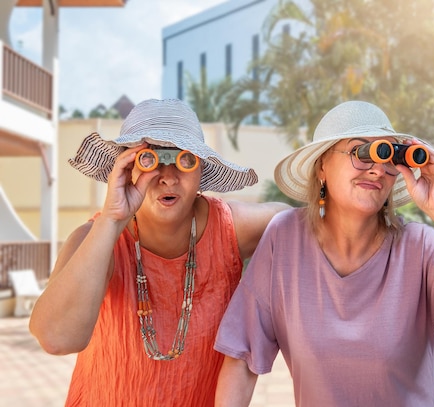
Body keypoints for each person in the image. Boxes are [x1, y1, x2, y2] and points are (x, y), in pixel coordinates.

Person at [213, 101, 434, 406]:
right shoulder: (284, 239)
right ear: (322, 167)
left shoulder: (420, 249)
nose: (377, 169)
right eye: (362, 152)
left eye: (388, 158)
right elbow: (241, 357)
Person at [29, 98, 289, 406]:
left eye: (184, 160)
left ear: (201, 170)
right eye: (149, 160)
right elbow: (56, 339)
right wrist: (112, 219)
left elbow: (296, 222)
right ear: (124, 169)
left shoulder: (230, 228)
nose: (167, 176)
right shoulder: (94, 240)